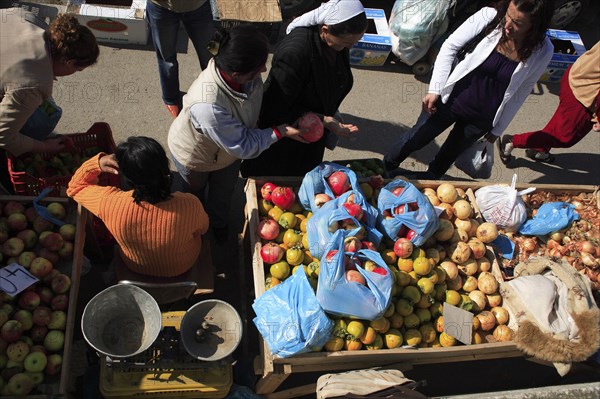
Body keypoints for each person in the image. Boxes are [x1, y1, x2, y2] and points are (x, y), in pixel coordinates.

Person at [383, 0, 554, 179]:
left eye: (518, 23)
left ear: (535, 26)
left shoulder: (543, 50)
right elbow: (449, 46)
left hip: (482, 118)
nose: (508, 25)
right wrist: (435, 89)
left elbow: (522, 92)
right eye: (508, 16)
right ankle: (386, 167)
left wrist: (498, 130)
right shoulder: (488, 17)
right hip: (450, 100)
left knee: (448, 154)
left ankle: (431, 180)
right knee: (417, 138)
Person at [168, 25, 307, 243]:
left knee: (222, 193)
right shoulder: (207, 105)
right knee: (193, 197)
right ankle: (196, 228)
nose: (263, 70)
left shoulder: (243, 74)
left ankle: (219, 224)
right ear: (235, 74)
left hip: (225, 152)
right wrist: (280, 132)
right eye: (259, 67)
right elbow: (243, 144)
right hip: (195, 156)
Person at [240, 0, 366, 177]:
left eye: (354, 41)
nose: (350, 47)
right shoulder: (295, 52)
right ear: (325, 30)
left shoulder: (336, 42)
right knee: (277, 184)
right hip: (286, 139)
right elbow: (274, 106)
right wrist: (323, 119)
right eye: (347, 42)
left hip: (309, 137)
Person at [67, 136, 209, 278]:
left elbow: (75, 187)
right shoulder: (190, 204)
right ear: (165, 169)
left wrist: (97, 163)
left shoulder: (110, 203)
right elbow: (203, 228)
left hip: (136, 267)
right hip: (183, 267)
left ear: (127, 180)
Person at [0, 8, 99, 189]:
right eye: (77, 70)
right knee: (40, 123)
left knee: (47, 111)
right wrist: (44, 147)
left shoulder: (27, 18)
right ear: (68, 63)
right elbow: (3, 136)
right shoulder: (33, 84)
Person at [498, 41, 600, 163]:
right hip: (584, 94)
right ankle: (512, 142)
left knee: (558, 127)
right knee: (564, 137)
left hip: (580, 73)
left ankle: (538, 149)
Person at [146, 0, 217, 118]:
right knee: (166, 58)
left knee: (211, 55)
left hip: (198, 6)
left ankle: (215, 94)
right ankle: (171, 97)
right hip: (161, 6)